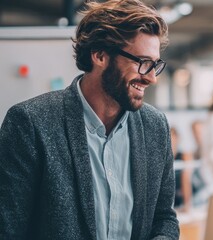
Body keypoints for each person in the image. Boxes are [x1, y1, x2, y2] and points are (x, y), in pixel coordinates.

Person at [0, 0, 179, 239]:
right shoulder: (31, 123)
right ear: (100, 55)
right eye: (142, 63)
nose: (151, 78)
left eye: (154, 65)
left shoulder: (155, 127)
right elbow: (9, 228)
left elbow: (164, 218)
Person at [170, 127, 193, 212]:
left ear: (177, 138)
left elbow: (186, 180)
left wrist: (187, 204)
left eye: (172, 137)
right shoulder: (162, 159)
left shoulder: (184, 156)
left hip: (182, 199)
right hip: (171, 201)